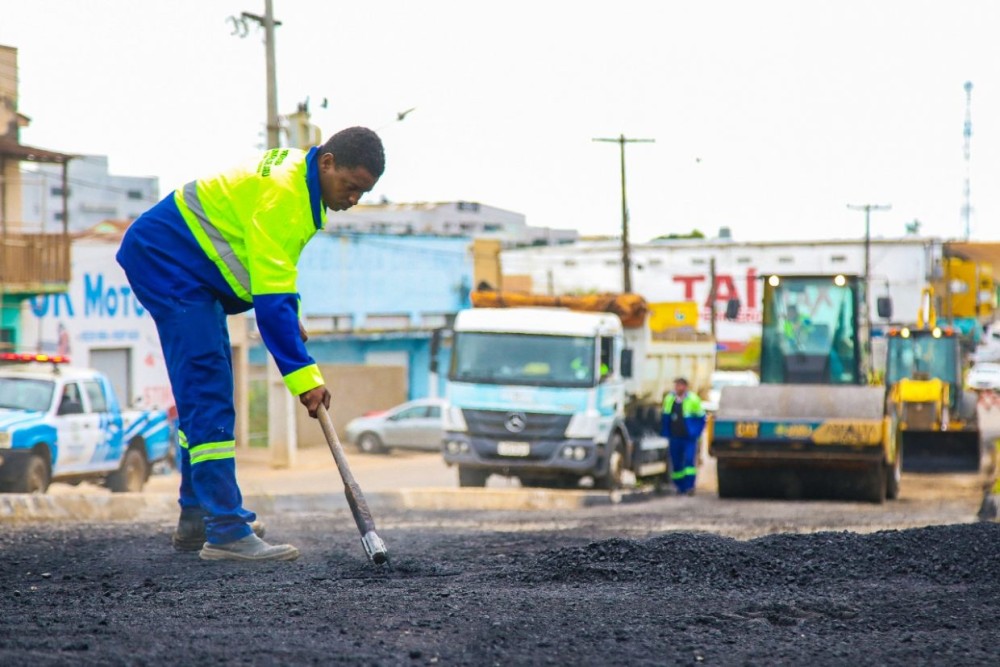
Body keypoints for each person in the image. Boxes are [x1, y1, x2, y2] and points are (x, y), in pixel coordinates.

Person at [116, 127, 385, 562]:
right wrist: (306, 379)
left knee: (204, 396)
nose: (353, 199)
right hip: (170, 265)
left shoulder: (299, 180)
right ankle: (225, 530)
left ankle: (198, 516)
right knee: (208, 395)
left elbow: (270, 271)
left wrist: (287, 311)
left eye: (363, 193)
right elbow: (271, 303)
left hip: (187, 272)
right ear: (328, 162)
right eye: (350, 187)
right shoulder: (288, 198)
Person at [661, 377, 706, 496]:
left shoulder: (693, 399)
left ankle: (690, 486)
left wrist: (696, 433)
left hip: (688, 438)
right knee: (676, 463)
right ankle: (679, 487)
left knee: (689, 461)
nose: (677, 388)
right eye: (676, 385)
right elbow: (666, 416)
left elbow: (701, 418)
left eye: (680, 385)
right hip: (675, 437)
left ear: (685, 387)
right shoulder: (670, 399)